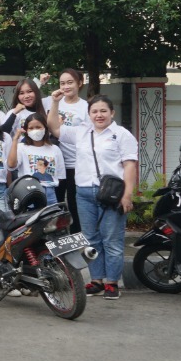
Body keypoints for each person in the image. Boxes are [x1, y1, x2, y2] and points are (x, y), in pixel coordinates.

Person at [47, 92, 137, 299]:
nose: (99, 115)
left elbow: (129, 165)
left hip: (112, 195)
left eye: (103, 111)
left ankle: (112, 283)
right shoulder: (81, 132)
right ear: (88, 114)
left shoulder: (122, 134)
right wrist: (55, 101)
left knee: (112, 239)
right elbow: (54, 127)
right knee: (90, 238)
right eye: (94, 111)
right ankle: (96, 280)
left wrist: (127, 195)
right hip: (84, 193)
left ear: (112, 113)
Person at [52, 68, 89, 229]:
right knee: (56, 204)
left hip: (77, 164)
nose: (66, 86)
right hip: (56, 163)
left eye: (70, 82)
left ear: (79, 83)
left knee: (75, 204)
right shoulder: (53, 102)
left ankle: (77, 240)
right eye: (62, 83)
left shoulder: (86, 107)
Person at [9, 112, 66, 206]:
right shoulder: (21, 147)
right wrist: (15, 140)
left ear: (45, 128)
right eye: (31, 128)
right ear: (26, 130)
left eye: (38, 127)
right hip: (28, 192)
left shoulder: (55, 149)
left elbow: (60, 176)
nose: (35, 130)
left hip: (50, 193)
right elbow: (11, 165)